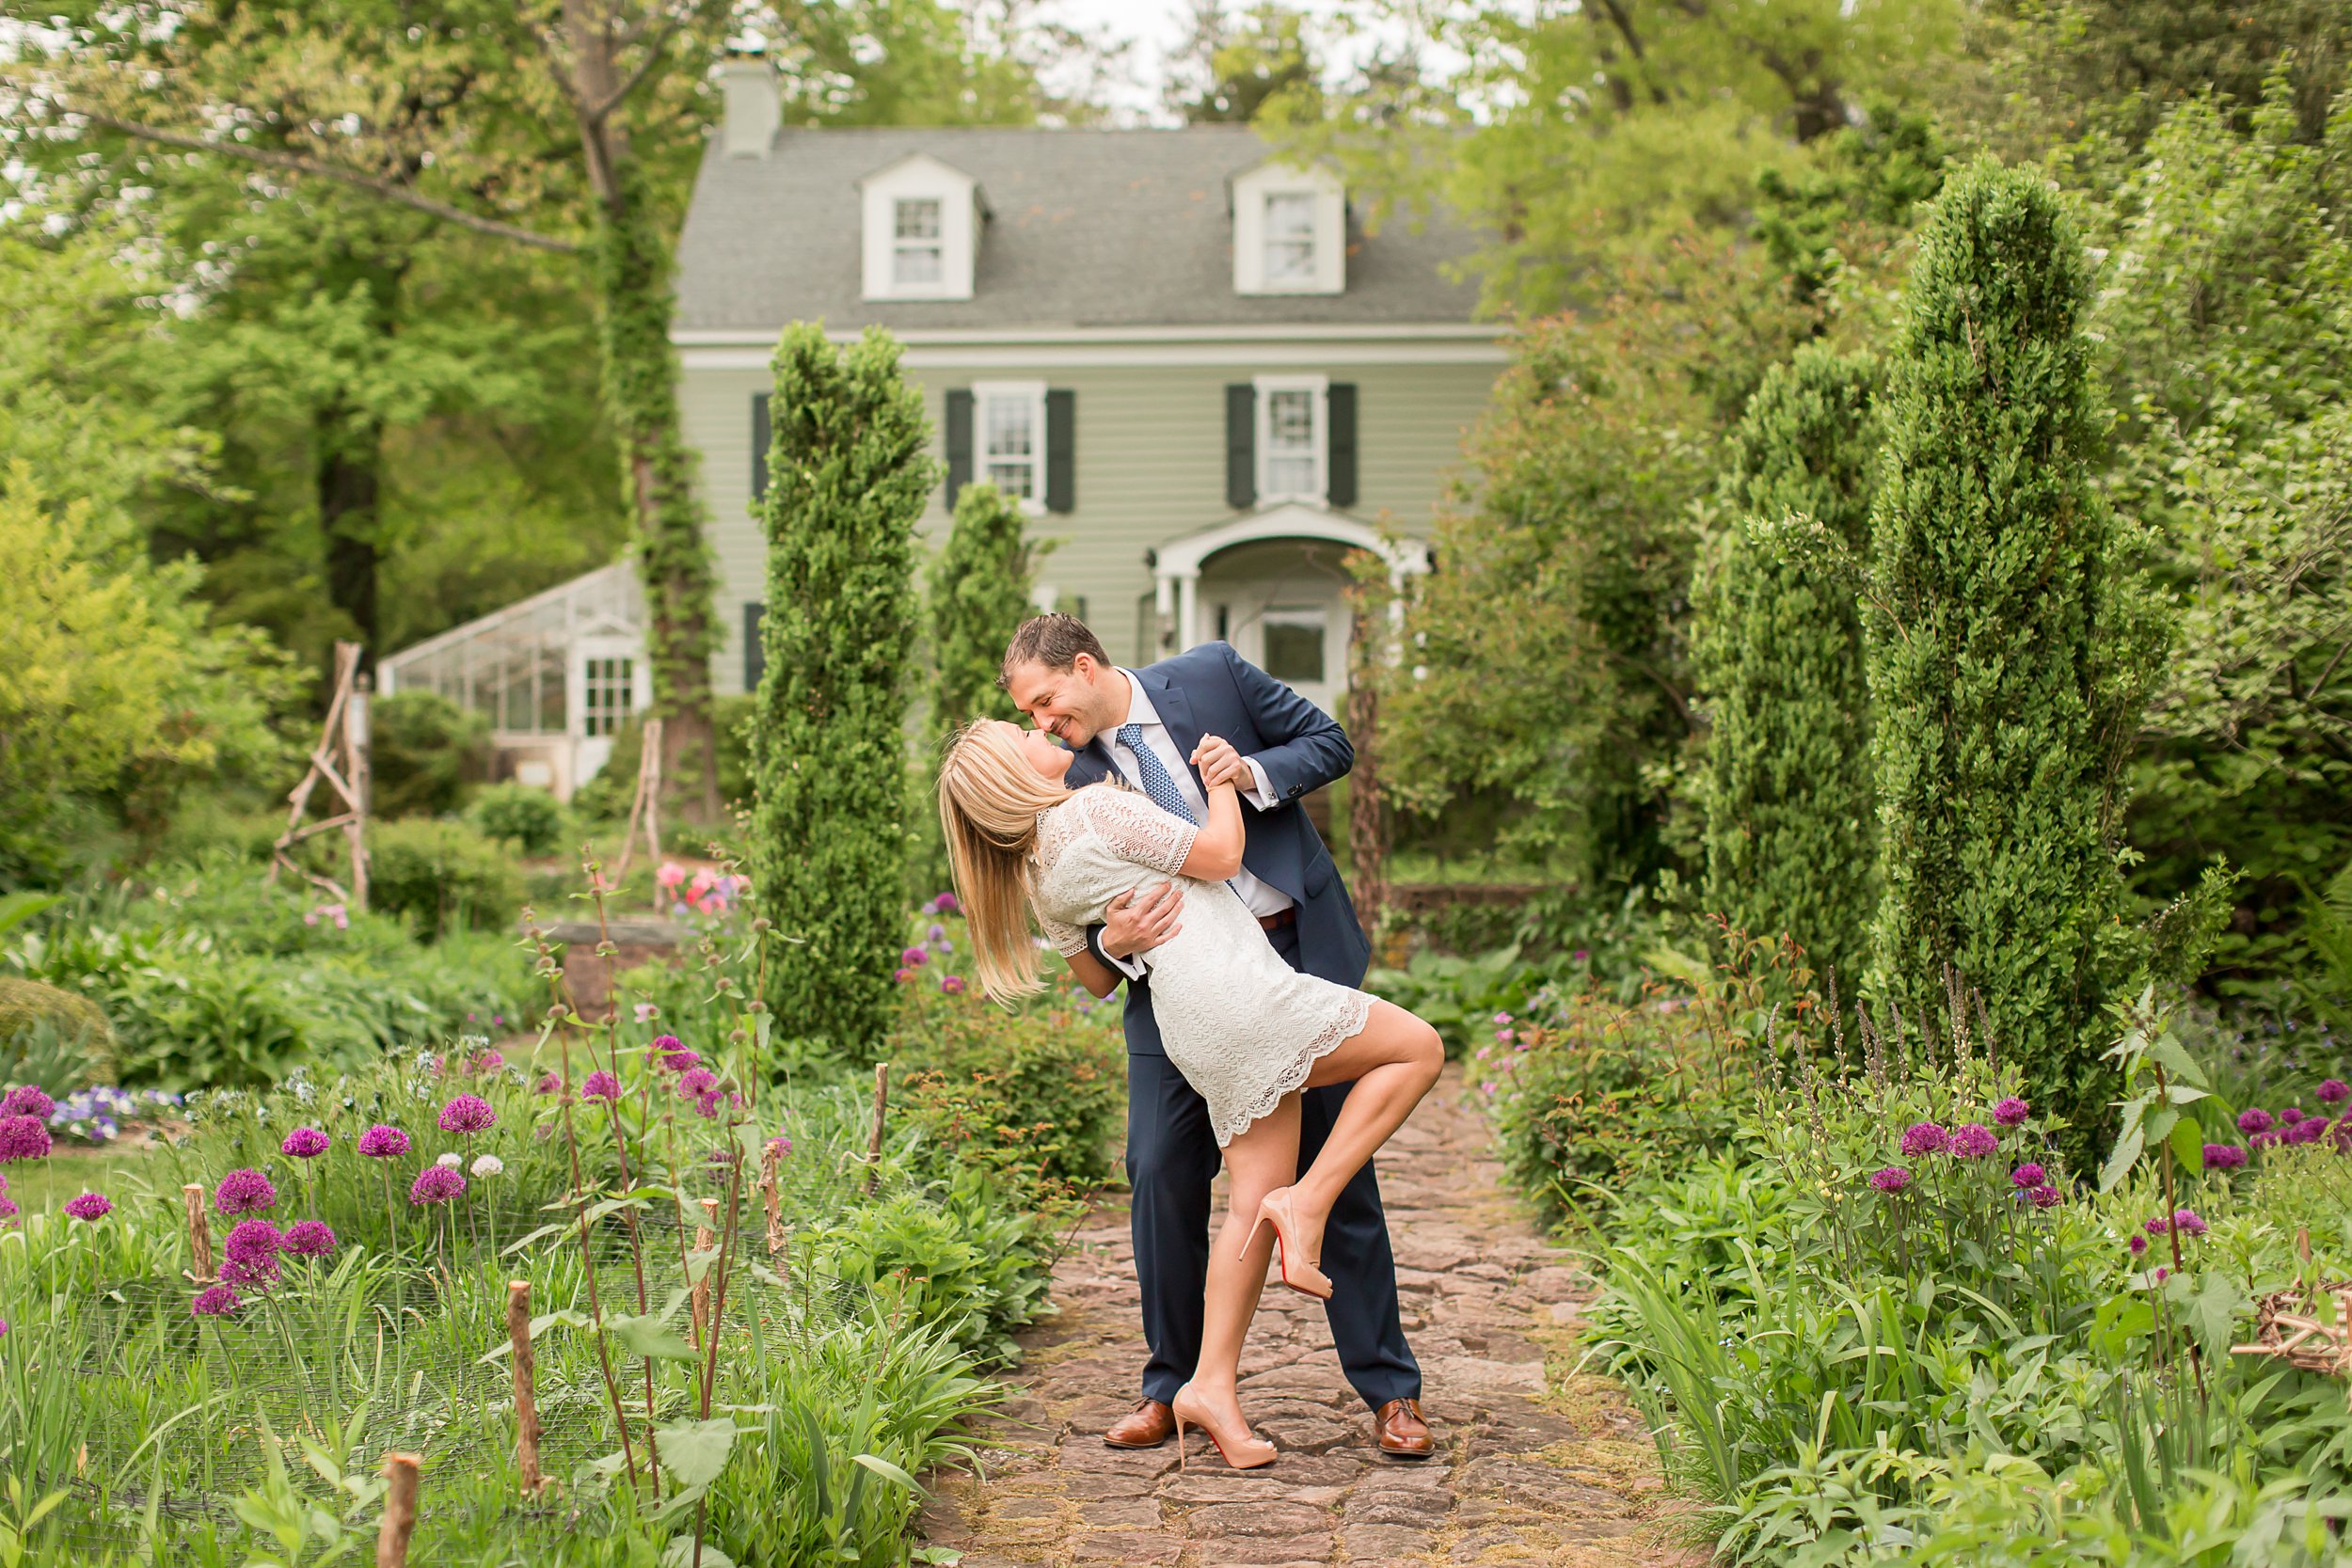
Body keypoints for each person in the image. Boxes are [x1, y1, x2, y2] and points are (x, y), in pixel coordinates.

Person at [938, 615, 1443, 1466]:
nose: (1045, 726)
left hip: (1286, 948)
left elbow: (1329, 742)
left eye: (1048, 704)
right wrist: (1117, 943)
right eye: (1030, 719)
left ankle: (1391, 1390)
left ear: (1086, 666)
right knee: (1160, 1172)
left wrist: (1245, 772)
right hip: (1171, 983)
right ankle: (1172, 1385)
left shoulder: (1210, 674)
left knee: (1337, 1177)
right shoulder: (1071, 781)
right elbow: (1103, 919)